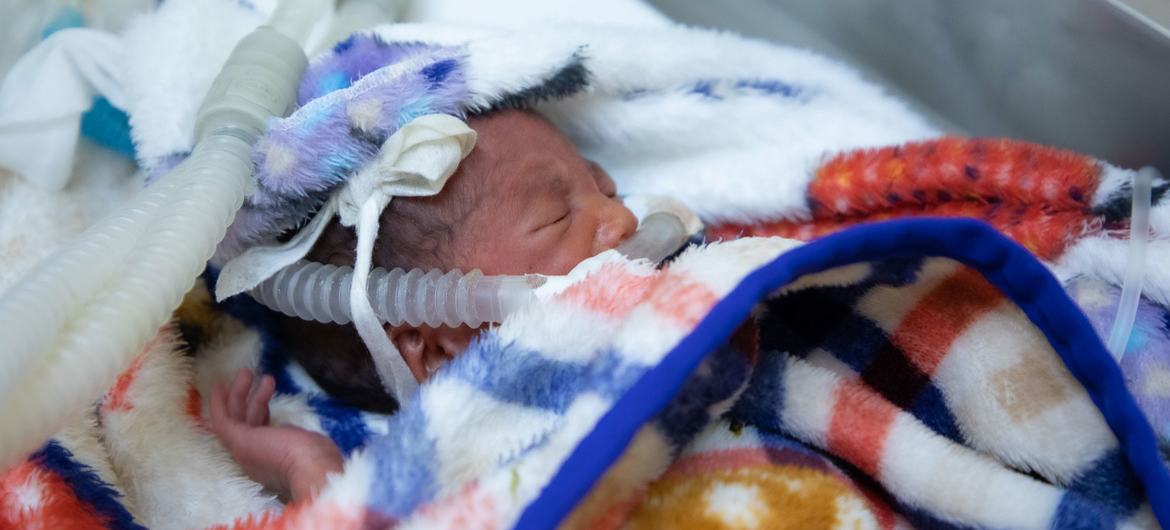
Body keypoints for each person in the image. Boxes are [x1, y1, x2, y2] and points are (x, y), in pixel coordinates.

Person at [208, 108, 638, 502]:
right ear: (435, 352)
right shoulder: (440, 476)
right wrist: (306, 467)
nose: (625, 220)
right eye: (556, 218)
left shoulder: (664, 297)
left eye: (606, 188)